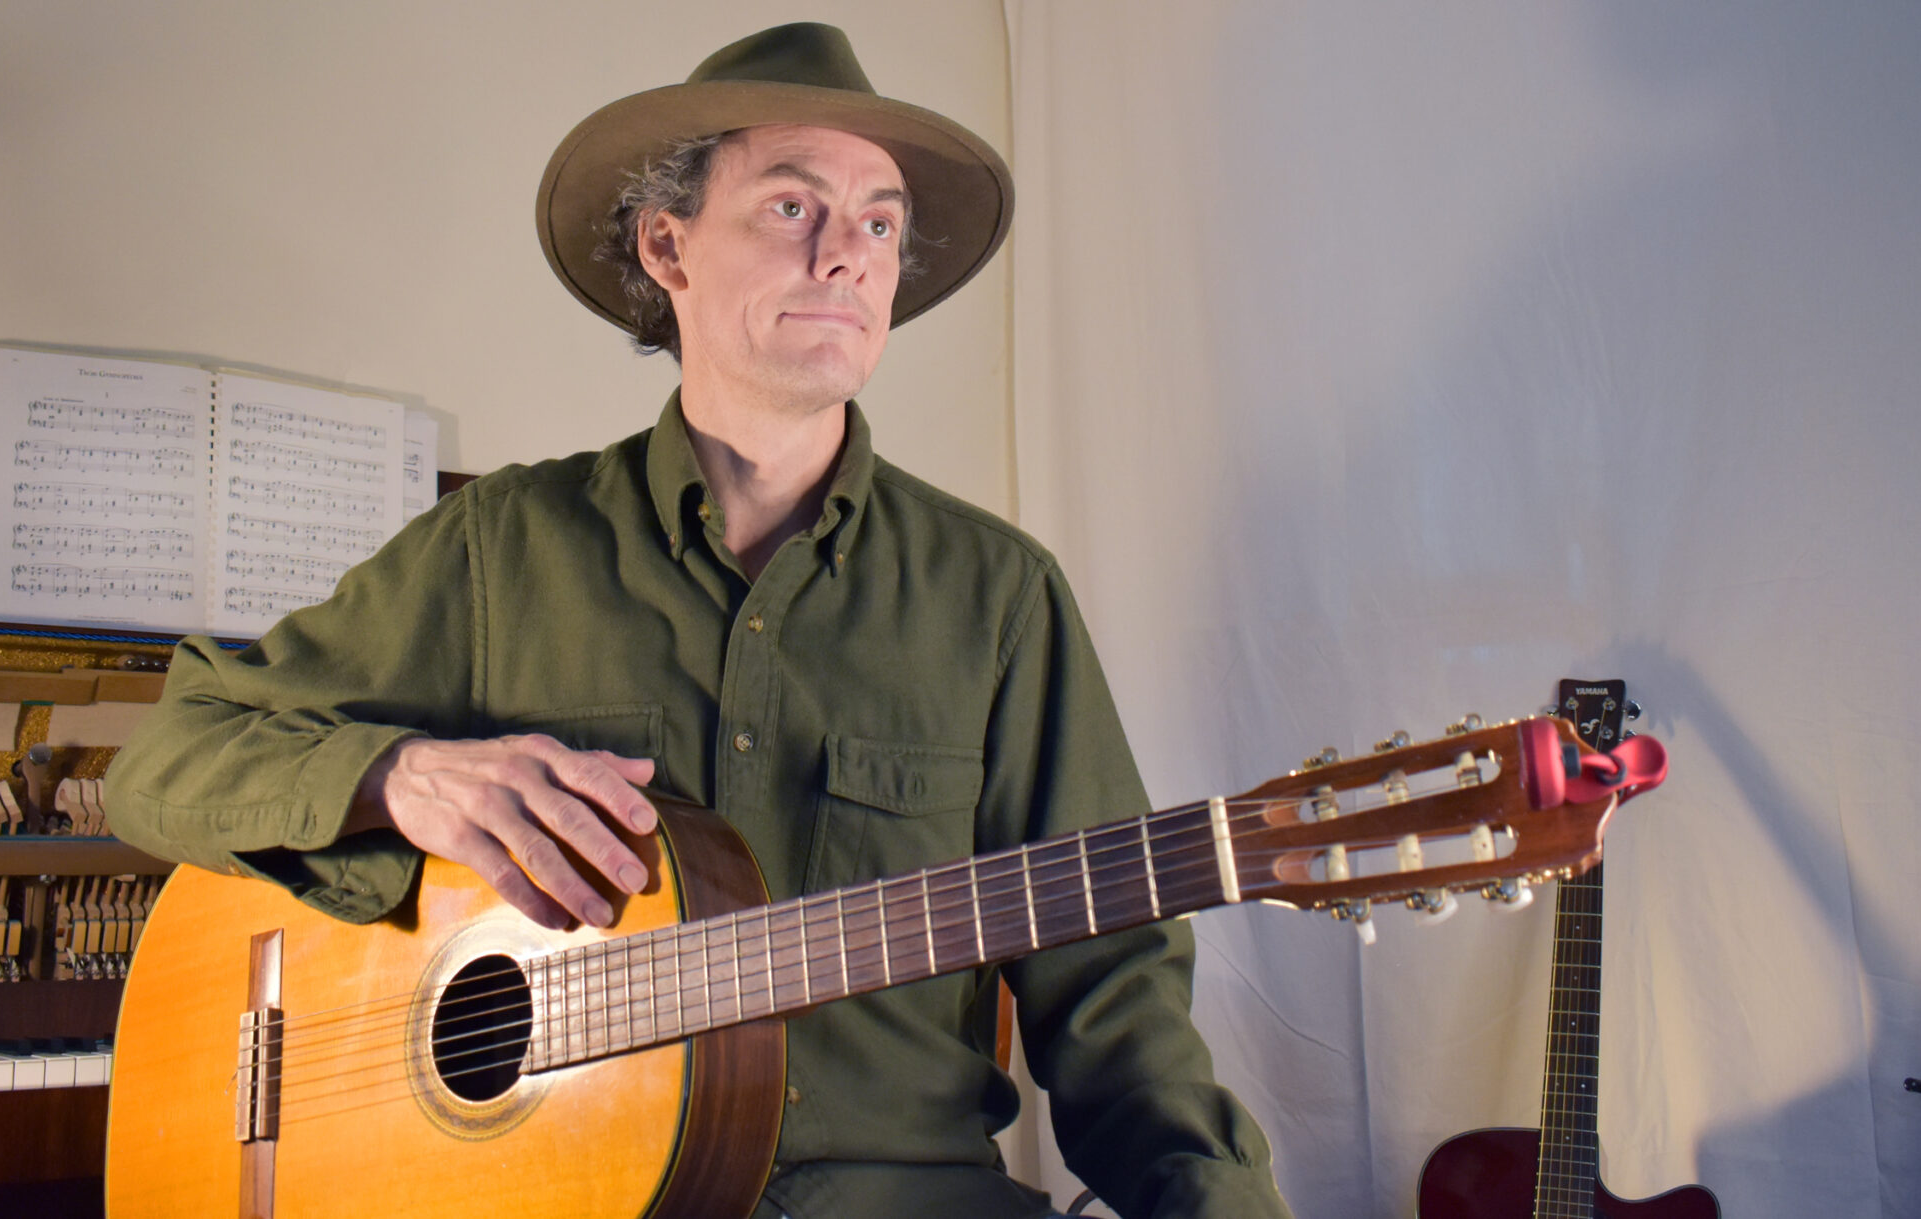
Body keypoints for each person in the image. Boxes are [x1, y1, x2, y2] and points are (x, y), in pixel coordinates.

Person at [105, 22, 1292, 1219]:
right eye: (791, 209)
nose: (847, 257)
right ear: (666, 244)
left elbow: (1116, 999)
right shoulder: (499, 547)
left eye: (878, 223)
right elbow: (163, 764)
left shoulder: (999, 597)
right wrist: (401, 777)